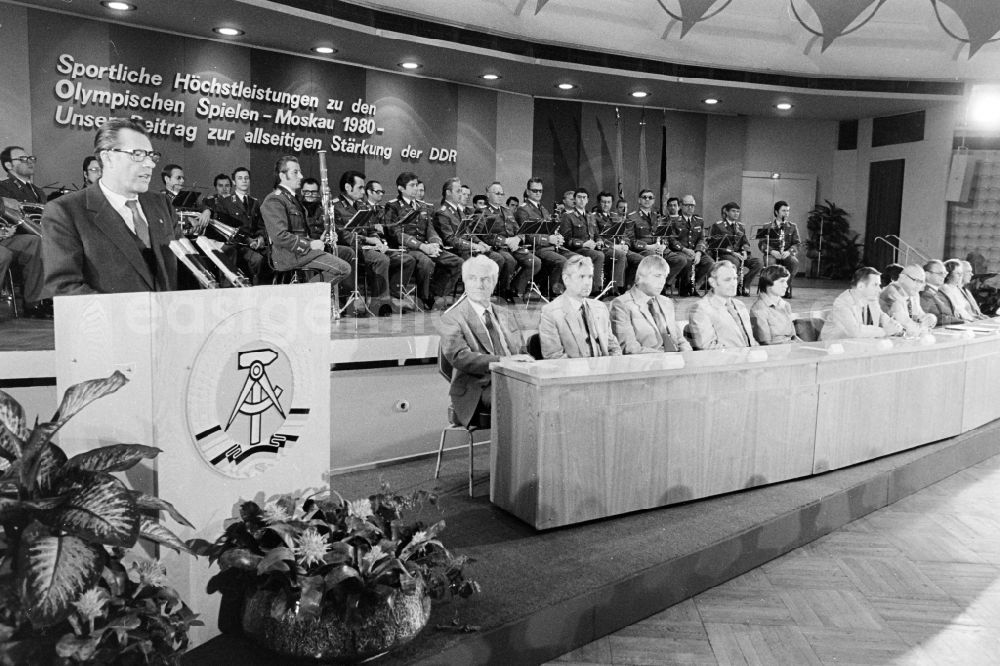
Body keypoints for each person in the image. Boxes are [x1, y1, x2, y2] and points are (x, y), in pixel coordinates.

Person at [41, 118, 178, 296]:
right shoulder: (65, 211)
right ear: (108, 157)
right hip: (110, 322)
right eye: (138, 154)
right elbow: (65, 287)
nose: (150, 164)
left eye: (152, 156)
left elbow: (183, 268)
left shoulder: (162, 204)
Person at [437, 255, 533, 427]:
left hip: (513, 379)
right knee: (522, 398)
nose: (479, 284)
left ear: (494, 282)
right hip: (477, 388)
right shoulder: (451, 318)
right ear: (465, 282)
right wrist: (502, 361)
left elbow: (521, 351)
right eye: (473, 278)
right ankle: (511, 452)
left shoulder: (506, 314)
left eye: (485, 279)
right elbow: (460, 357)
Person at [260, 155, 350, 319]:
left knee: (346, 254)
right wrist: (309, 245)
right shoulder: (274, 200)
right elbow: (280, 236)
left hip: (299, 252)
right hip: (288, 255)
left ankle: (302, 298)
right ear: (282, 175)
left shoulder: (291, 199)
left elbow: (300, 232)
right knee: (343, 269)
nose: (300, 176)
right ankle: (299, 298)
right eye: (295, 172)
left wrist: (319, 240)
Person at [334, 170, 413, 309]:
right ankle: (380, 302)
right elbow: (343, 235)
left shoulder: (361, 205)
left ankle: (395, 296)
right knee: (381, 259)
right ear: (348, 187)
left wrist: (378, 241)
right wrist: (368, 240)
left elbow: (372, 229)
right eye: (360, 187)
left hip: (368, 247)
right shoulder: (335, 206)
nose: (363, 191)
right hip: (353, 248)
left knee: (405, 259)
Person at [384, 172, 462, 310]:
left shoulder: (423, 206)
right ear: (401, 188)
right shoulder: (393, 206)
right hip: (407, 248)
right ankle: (423, 298)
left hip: (426, 246)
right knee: (426, 263)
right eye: (412, 185)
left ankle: (436, 295)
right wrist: (421, 246)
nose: (416, 188)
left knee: (456, 262)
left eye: (416, 185)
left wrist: (435, 243)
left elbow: (430, 229)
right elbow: (395, 233)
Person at [539, 253, 621, 358]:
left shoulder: (601, 308)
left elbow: (613, 348)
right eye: (581, 277)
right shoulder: (550, 313)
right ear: (566, 279)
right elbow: (554, 358)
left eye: (590, 277)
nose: (587, 283)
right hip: (574, 372)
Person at [610, 255, 690, 353]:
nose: (662, 282)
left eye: (664, 277)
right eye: (657, 276)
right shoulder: (621, 304)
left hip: (675, 361)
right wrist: (666, 359)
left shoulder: (667, 302)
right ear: (640, 277)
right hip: (647, 363)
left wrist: (687, 356)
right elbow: (629, 348)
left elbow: (679, 339)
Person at [625, 189, 689, 293]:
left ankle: (662, 284)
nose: (647, 199)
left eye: (650, 197)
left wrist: (663, 245)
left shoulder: (659, 216)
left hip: (659, 248)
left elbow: (665, 236)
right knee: (653, 259)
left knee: (681, 260)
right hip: (643, 249)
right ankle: (649, 287)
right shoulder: (632, 216)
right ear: (639, 200)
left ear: (653, 201)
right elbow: (631, 239)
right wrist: (648, 247)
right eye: (644, 197)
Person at [214, 166, 268, 284]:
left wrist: (260, 238)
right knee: (257, 260)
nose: (244, 181)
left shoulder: (255, 202)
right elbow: (225, 229)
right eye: (240, 178)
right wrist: (247, 240)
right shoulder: (225, 202)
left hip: (255, 245)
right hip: (236, 246)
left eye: (246, 178)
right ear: (234, 182)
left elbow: (261, 225)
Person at [687, 260, 757, 349]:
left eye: (735, 278)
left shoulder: (740, 305)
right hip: (727, 361)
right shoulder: (701, 308)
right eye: (727, 279)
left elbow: (750, 340)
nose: (734, 284)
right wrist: (745, 356)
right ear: (713, 282)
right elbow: (708, 347)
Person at [514, 177, 566, 296]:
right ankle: (552, 293)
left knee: (575, 258)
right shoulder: (523, 210)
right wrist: (549, 239)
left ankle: (551, 288)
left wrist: (557, 238)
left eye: (540, 191)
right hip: (536, 247)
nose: (538, 193)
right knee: (561, 261)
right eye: (534, 190)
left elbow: (550, 230)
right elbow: (527, 236)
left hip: (550, 247)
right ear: (527, 191)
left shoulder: (543, 209)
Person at [820, 267, 902, 340]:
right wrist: (885, 331)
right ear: (860, 287)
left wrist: (895, 326)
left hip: (857, 346)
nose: (879, 290)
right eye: (875, 285)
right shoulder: (842, 303)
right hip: (831, 348)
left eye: (879, 285)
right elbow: (855, 331)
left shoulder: (872, 299)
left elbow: (883, 317)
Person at [559, 188, 606, 296]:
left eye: (584, 197)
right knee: (599, 255)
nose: (581, 200)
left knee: (614, 253)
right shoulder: (568, 216)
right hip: (577, 248)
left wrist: (599, 241)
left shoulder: (591, 216)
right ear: (575, 200)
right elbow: (566, 240)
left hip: (592, 247)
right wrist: (584, 244)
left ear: (587, 200)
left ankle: (615, 287)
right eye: (579, 197)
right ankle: (595, 289)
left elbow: (597, 234)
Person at [708, 202, 761, 297]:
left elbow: (745, 242)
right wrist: (733, 253)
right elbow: (714, 245)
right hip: (724, 253)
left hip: (739, 254)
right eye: (733, 211)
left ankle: (745, 284)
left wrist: (745, 251)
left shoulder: (740, 226)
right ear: (726, 212)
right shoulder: (718, 226)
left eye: (738, 211)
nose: (736, 213)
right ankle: (732, 285)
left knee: (758, 263)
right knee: (735, 262)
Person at [666, 194, 711, 296]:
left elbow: (702, 239)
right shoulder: (674, 220)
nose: (690, 207)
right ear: (681, 206)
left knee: (709, 262)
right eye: (687, 205)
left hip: (695, 251)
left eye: (692, 205)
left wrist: (699, 252)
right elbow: (672, 240)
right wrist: (685, 250)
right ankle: (684, 286)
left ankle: (692, 285)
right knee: (687, 260)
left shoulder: (699, 220)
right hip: (680, 251)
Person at [593, 191, 636, 293]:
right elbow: (596, 236)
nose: (606, 204)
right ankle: (616, 288)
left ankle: (629, 286)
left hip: (620, 248)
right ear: (599, 203)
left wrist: (626, 244)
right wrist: (614, 246)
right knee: (621, 256)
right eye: (603, 202)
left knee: (639, 259)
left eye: (608, 202)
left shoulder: (616, 216)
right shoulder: (594, 216)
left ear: (612, 203)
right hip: (605, 248)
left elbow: (624, 234)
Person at [757, 201, 800, 298]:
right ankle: (771, 289)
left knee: (794, 263)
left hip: (786, 253)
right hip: (772, 253)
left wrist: (789, 252)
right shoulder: (767, 226)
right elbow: (761, 243)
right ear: (776, 212)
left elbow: (797, 243)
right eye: (783, 211)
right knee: (771, 263)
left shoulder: (792, 227)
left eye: (788, 211)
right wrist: (772, 251)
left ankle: (786, 286)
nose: (786, 213)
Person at [749, 265, 800, 345]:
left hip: (791, 348)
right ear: (769, 283)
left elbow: (793, 336)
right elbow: (766, 344)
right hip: (774, 353)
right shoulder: (758, 309)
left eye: (786, 281)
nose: (786, 285)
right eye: (782, 281)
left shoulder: (786, 305)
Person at [879, 264, 936, 335]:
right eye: (916, 280)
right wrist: (923, 328)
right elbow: (906, 325)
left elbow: (919, 316)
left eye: (921, 282)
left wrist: (931, 318)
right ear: (902, 278)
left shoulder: (913, 293)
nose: (919, 285)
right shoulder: (892, 292)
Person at [919, 259, 964, 327]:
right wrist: (961, 321)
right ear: (927, 274)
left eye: (945, 273)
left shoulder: (939, 291)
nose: (943, 276)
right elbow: (934, 318)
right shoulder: (924, 293)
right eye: (940, 273)